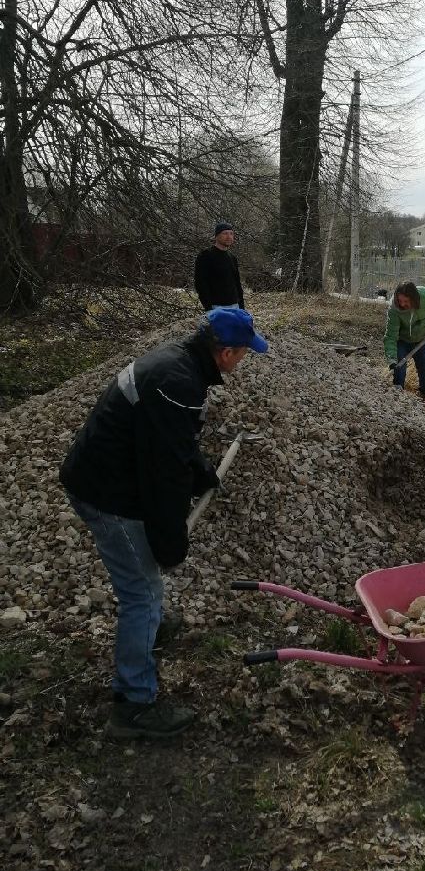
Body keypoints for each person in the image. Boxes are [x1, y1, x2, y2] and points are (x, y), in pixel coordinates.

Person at [59, 307, 268, 740]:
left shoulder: (180, 363)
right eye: (246, 352)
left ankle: (151, 625)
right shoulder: (178, 382)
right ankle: (133, 705)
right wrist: (170, 536)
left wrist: (201, 469)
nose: (245, 359)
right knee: (142, 591)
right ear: (225, 352)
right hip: (106, 492)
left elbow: (173, 440)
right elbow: (162, 472)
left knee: (145, 587)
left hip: (108, 473)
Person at [384, 281, 425, 403]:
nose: (402, 304)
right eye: (400, 300)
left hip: (421, 339)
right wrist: (392, 360)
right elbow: (390, 337)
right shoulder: (394, 309)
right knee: (399, 369)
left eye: (406, 301)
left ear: (414, 298)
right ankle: (397, 398)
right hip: (402, 341)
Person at [194, 222, 245, 311]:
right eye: (225, 233)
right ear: (216, 236)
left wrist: (241, 307)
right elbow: (200, 283)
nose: (229, 237)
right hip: (216, 307)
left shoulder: (232, 257)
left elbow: (237, 283)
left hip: (235, 306)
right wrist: (209, 307)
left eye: (231, 233)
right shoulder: (206, 255)